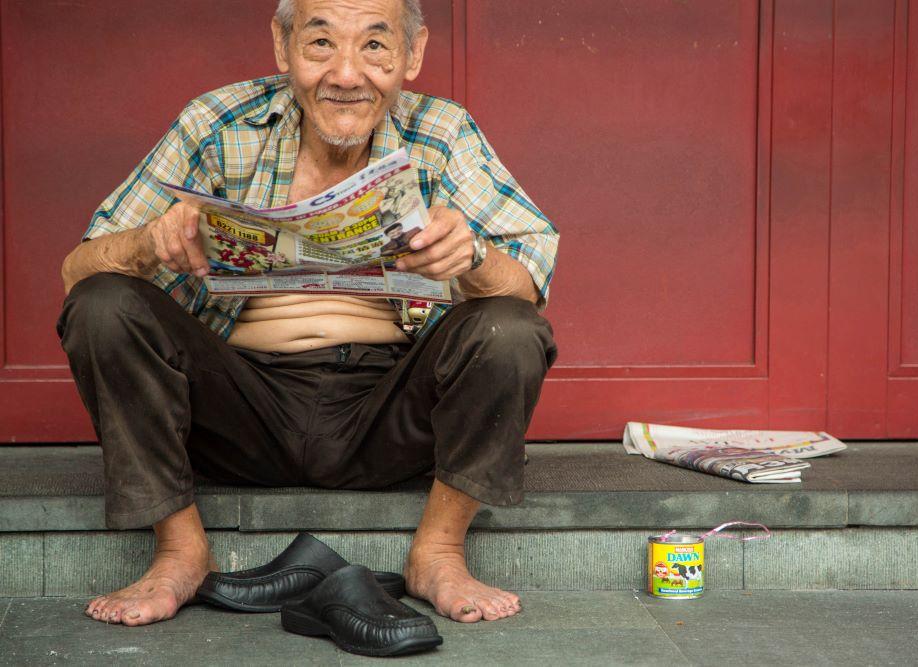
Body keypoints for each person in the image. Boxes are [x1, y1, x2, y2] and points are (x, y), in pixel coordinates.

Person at [57, 0, 558, 628]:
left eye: (375, 46)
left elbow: (530, 280)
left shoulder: (444, 132)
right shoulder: (216, 123)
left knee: (509, 326)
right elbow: (77, 270)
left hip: (389, 412)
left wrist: (475, 256)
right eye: (321, 43)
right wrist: (147, 242)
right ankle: (180, 550)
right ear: (282, 45)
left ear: (413, 54)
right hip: (239, 408)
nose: (346, 75)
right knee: (103, 304)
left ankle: (439, 551)